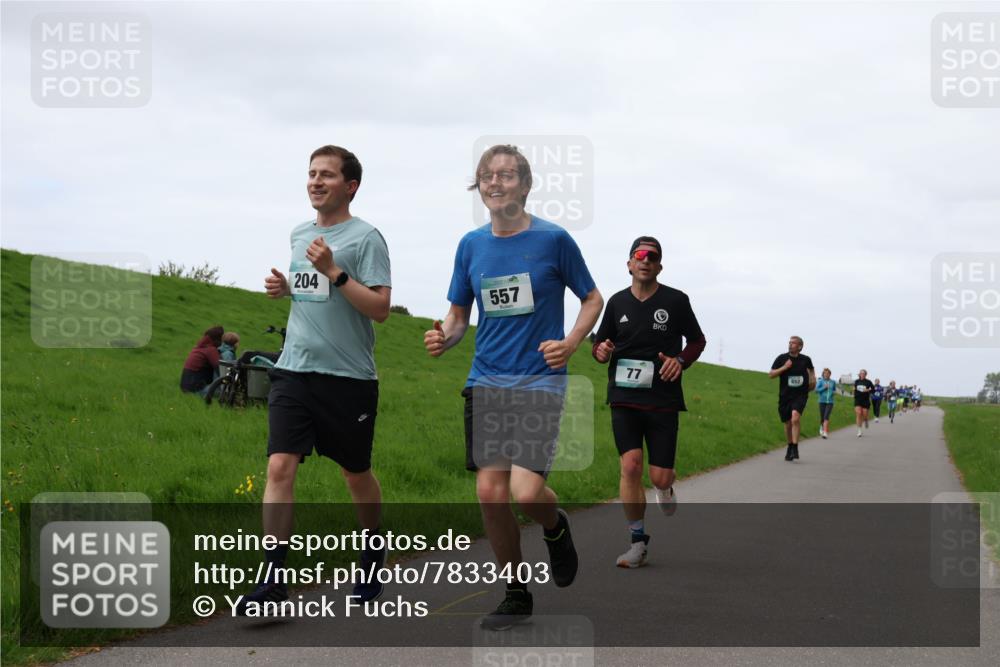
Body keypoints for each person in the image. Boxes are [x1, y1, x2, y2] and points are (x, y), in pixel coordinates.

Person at [423, 144, 602, 630]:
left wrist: (570, 343)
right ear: (479, 187)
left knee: (527, 494)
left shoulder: (554, 240)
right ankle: (515, 592)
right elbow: (461, 316)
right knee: (489, 491)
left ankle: (555, 525)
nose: (495, 182)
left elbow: (591, 298)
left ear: (525, 185)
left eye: (506, 175)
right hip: (486, 379)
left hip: (540, 381)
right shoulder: (471, 246)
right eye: (486, 175)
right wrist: (444, 336)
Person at [237, 145, 392, 615]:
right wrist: (287, 287)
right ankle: (273, 578)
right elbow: (312, 293)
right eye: (311, 174)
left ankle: (372, 549)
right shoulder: (298, 233)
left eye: (326, 175)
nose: (315, 181)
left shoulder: (367, 238)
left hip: (348, 378)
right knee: (279, 467)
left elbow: (381, 310)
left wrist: (334, 271)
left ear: (350, 186)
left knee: (354, 473)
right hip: (294, 369)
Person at [592, 237, 705, 568]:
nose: (644, 260)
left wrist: (680, 361)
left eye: (651, 256)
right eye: (638, 255)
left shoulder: (676, 300)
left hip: (662, 399)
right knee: (630, 465)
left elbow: (697, 340)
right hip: (624, 397)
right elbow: (599, 345)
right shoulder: (616, 303)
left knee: (660, 477)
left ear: (659, 266)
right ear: (629, 264)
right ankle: (637, 541)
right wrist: (601, 352)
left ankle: (666, 490)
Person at [768, 336, 815, 461]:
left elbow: (811, 370)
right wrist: (784, 367)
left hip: (800, 395)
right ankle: (790, 446)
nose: (790, 345)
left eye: (793, 343)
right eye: (789, 343)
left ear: (799, 346)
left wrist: (812, 380)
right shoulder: (782, 358)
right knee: (788, 423)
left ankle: (795, 447)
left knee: (795, 418)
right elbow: (771, 374)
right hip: (785, 396)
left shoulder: (806, 359)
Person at [179, 325, 224, 394]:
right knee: (223, 392)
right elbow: (220, 369)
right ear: (218, 338)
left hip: (185, 389)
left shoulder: (198, 348)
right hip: (197, 390)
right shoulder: (210, 350)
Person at [814, 368, 836, 438]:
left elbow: (834, 390)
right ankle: (821, 426)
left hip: (830, 401)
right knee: (822, 417)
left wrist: (833, 392)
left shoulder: (833, 382)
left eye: (828, 373)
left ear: (830, 374)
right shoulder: (820, 381)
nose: (826, 375)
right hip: (822, 401)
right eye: (825, 373)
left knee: (826, 416)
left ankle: (825, 432)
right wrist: (824, 387)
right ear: (823, 374)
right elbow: (816, 391)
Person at [852, 369, 874, 437]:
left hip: (865, 400)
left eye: (863, 373)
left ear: (865, 374)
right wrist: (853, 391)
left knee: (864, 414)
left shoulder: (868, 382)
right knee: (859, 413)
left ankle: (866, 420)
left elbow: (873, 389)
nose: (862, 374)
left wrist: (868, 390)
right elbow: (854, 388)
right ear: (859, 374)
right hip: (858, 399)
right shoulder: (856, 381)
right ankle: (859, 430)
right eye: (861, 373)